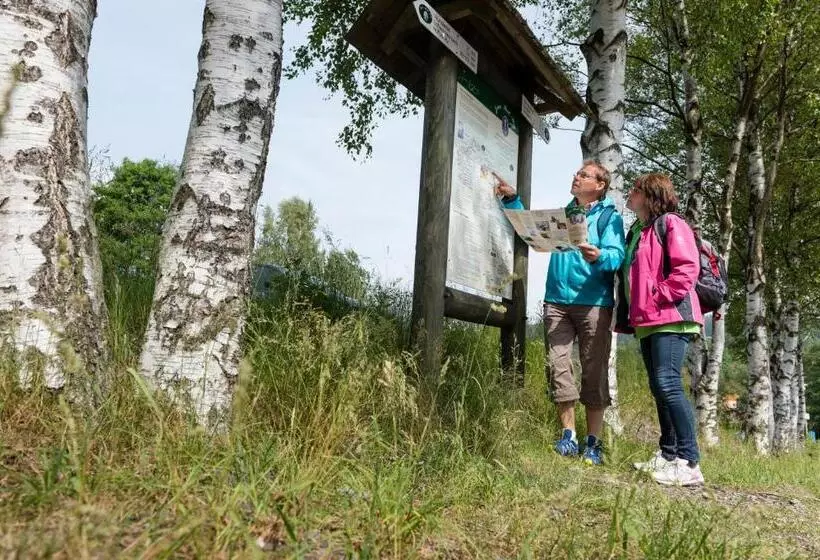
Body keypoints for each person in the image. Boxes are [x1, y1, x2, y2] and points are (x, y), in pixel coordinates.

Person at [496, 161, 625, 465]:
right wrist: (512, 200)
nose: (576, 177)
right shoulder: (564, 214)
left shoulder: (609, 217)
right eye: (576, 173)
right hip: (556, 300)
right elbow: (532, 229)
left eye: (584, 175)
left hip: (594, 302)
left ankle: (593, 442)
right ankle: (568, 436)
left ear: (600, 185)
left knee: (593, 371)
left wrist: (599, 255)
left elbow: (617, 256)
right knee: (558, 367)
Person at [616, 173, 705, 486]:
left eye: (634, 188)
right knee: (659, 387)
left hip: (670, 316)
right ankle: (668, 454)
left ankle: (690, 462)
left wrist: (657, 295)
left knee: (668, 384)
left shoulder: (670, 223)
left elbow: (686, 270)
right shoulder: (638, 230)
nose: (629, 192)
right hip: (646, 320)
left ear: (648, 193)